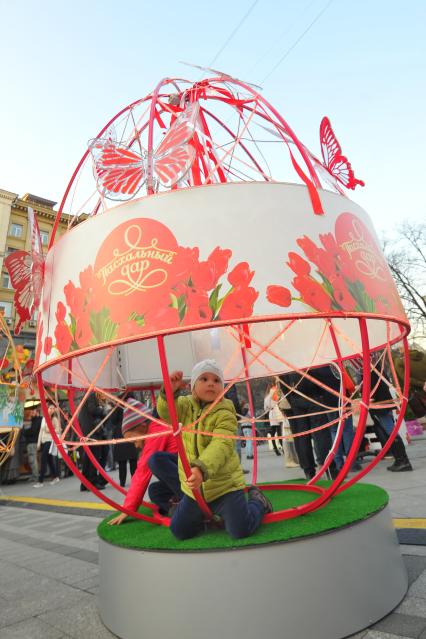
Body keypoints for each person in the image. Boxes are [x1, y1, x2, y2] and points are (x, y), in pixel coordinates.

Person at [155, 359, 273, 540]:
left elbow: (221, 444)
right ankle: (202, 514)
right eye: (204, 379)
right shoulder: (185, 405)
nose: (211, 383)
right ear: (193, 386)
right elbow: (167, 412)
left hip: (224, 487)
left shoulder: (225, 410)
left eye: (216, 380)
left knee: (240, 529)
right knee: (179, 530)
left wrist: (201, 468)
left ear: (222, 387)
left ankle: (259, 503)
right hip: (195, 491)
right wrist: (168, 393)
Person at [108, 401, 180, 526]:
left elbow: (142, 472)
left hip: (188, 477)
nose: (136, 445)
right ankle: (177, 507)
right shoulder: (155, 429)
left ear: (142, 426)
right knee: (154, 490)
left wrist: (128, 508)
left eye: (134, 439)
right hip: (181, 476)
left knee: (154, 460)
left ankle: (188, 506)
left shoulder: (156, 432)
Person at [281, 365, 339, 480]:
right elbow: (322, 373)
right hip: (313, 395)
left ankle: (309, 470)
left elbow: (282, 379)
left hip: (296, 396)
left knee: (302, 436)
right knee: (320, 433)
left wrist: (291, 398)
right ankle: (328, 466)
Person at [369, 368, 413, 472]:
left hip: (381, 404)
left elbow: (372, 388)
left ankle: (402, 460)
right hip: (383, 403)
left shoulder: (371, 369)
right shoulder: (377, 367)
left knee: (391, 432)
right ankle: (400, 460)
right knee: (390, 431)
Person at [77, 391, 107, 491]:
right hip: (91, 431)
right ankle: (92, 482)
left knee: (88, 458)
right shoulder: (92, 395)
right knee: (94, 457)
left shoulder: (88, 395)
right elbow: (93, 409)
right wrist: (103, 410)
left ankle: (84, 483)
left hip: (87, 431)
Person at [111, 397, 139, 487]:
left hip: (121, 432)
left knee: (123, 460)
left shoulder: (117, 405)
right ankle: (135, 481)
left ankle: (122, 482)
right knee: (132, 460)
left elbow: (113, 420)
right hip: (130, 430)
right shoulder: (132, 402)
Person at [33, 402, 61, 487]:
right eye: (50, 408)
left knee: (43, 459)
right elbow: (41, 432)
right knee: (49, 460)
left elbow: (58, 430)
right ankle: (56, 477)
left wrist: (50, 430)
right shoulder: (44, 419)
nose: (51, 410)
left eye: (53, 408)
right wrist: (38, 443)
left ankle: (40, 481)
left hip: (50, 440)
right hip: (44, 441)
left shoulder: (55, 419)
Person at [263, 383, 283, 456]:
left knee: (273, 432)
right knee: (279, 431)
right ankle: (282, 447)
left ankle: (275, 447)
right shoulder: (275, 392)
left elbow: (265, 408)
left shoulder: (267, 396)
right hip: (277, 411)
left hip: (272, 413)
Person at [24, 406, 42, 482]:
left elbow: (33, 431)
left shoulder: (36, 420)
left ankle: (35, 476)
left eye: (32, 412)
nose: (31, 413)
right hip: (34, 442)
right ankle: (35, 475)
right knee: (33, 459)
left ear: (36, 412)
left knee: (32, 459)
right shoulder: (37, 420)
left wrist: (25, 432)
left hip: (32, 442)